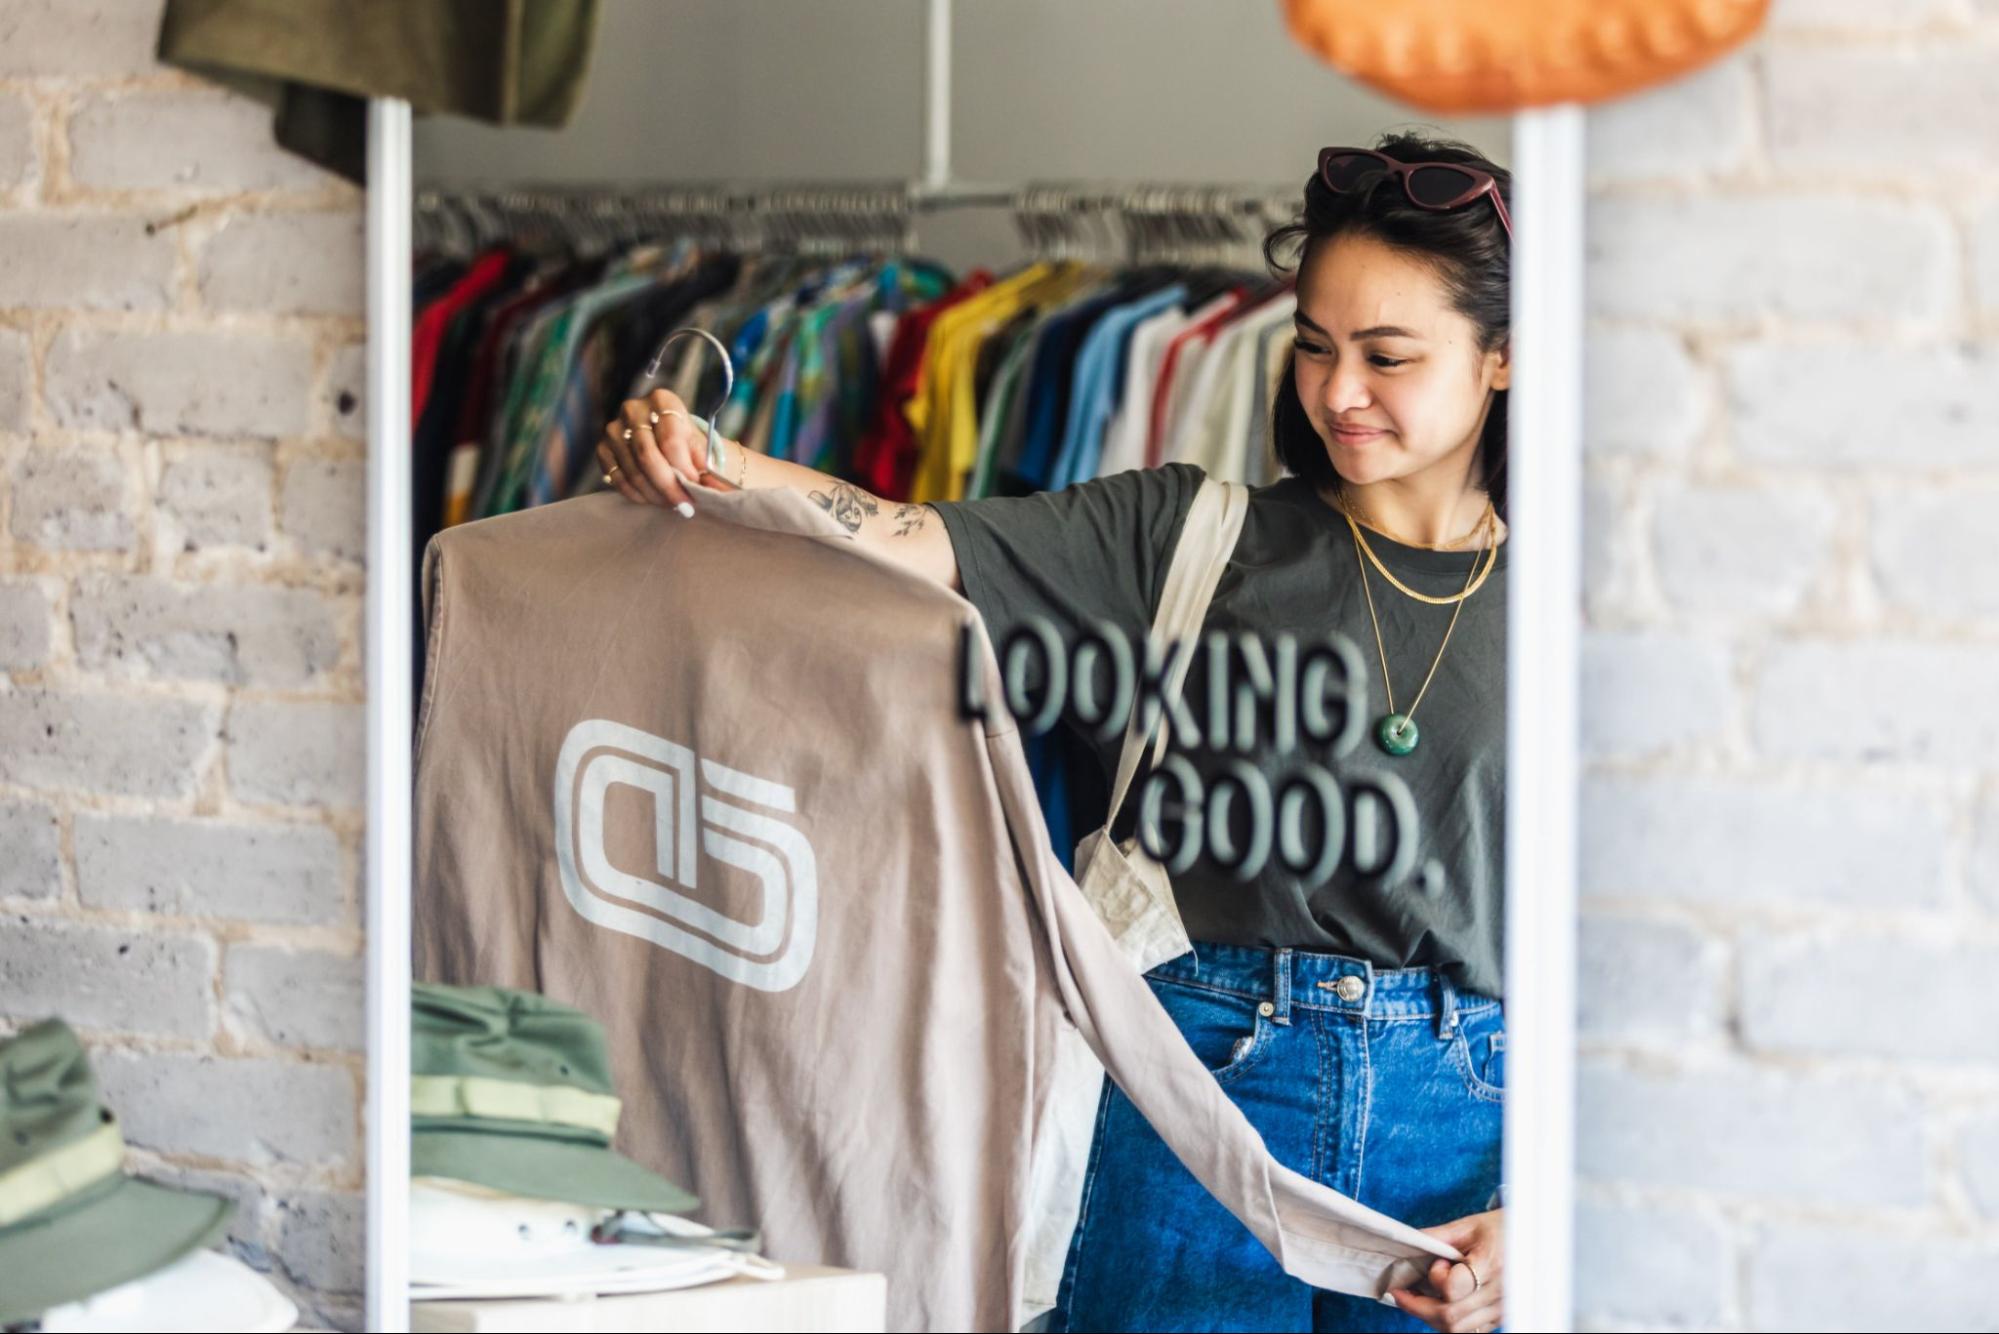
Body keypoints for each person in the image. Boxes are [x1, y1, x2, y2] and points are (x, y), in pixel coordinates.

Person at [595, 129, 1510, 1334]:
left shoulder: (1593, 604)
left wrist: (1545, 1202)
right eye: (1314, 347)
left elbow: (1633, 945)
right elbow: (904, 532)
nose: (1337, 391)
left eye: (1388, 356)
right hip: (1198, 1103)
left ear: (1502, 359)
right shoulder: (1185, 535)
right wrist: (708, 459)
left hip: (1465, 1137)